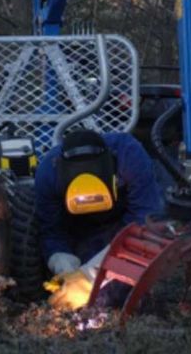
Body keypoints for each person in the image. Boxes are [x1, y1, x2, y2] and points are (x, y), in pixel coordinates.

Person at [34, 128, 163, 309]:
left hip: (125, 217)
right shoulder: (48, 174)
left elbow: (145, 222)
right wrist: (62, 263)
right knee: (88, 294)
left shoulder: (130, 156)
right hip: (79, 225)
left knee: (125, 288)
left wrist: (91, 274)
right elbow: (51, 229)